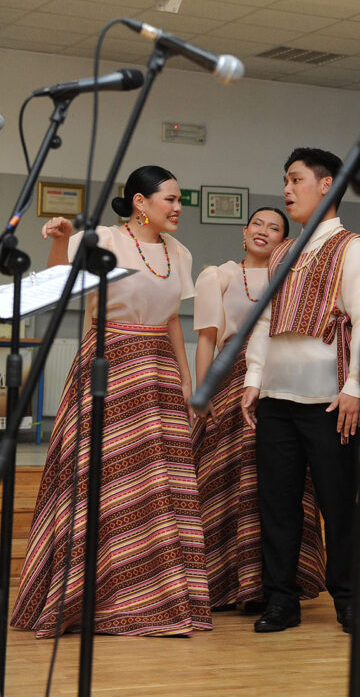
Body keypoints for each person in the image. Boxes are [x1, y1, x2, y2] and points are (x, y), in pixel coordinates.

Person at [12, 166, 210, 637]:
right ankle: (89, 595)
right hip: (108, 362)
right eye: (170, 199)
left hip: (157, 374)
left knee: (153, 485)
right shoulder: (99, 239)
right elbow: (61, 280)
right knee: (99, 480)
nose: (178, 207)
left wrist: (186, 381)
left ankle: (153, 594)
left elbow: (173, 322)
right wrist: (61, 238)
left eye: (180, 199)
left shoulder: (178, 252)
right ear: (140, 202)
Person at [241, 147, 360, 635]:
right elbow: (264, 321)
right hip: (277, 396)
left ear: (326, 186)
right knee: (276, 502)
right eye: (285, 179)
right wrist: (255, 378)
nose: (287, 189)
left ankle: (347, 599)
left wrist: (356, 385)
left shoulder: (353, 246)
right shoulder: (282, 251)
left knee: (339, 503)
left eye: (296, 179)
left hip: (330, 398)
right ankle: (281, 600)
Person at [192, 207, 326, 610]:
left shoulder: (289, 278)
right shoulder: (218, 275)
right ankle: (225, 580)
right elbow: (206, 341)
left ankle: (277, 581)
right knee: (227, 481)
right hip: (233, 385)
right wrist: (205, 392)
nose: (264, 232)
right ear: (244, 230)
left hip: (282, 382)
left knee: (280, 485)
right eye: (258, 224)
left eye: (275, 228)